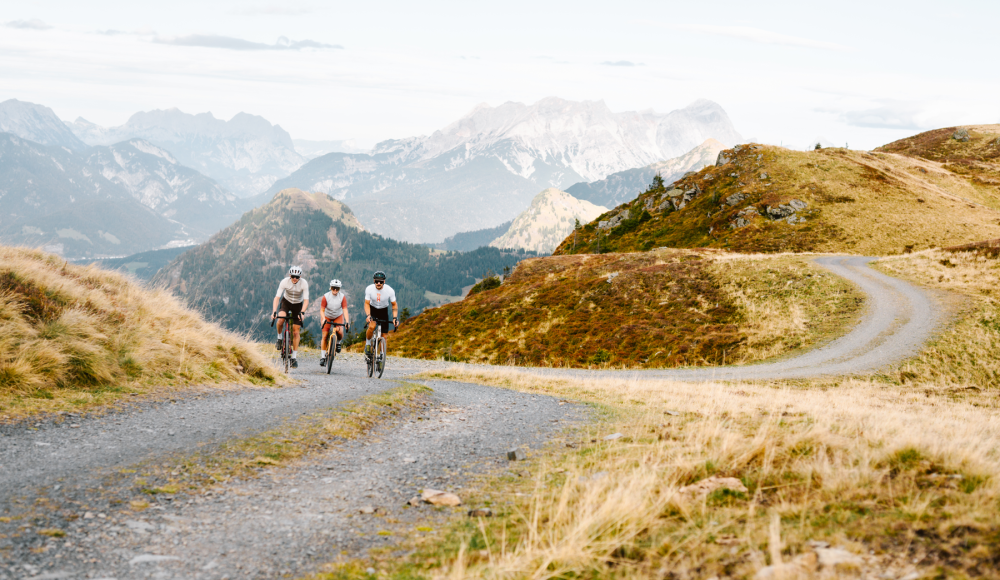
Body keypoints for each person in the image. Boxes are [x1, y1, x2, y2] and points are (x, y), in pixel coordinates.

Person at [271, 266, 309, 369]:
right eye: (293, 276)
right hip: (286, 302)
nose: (294, 278)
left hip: (297, 305)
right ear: (289, 275)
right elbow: (277, 297)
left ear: (300, 277)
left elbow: (306, 300)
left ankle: (294, 358)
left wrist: (302, 313)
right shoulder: (284, 282)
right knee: (281, 319)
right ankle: (279, 338)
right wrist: (274, 311)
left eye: (297, 277)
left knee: (296, 331)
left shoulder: (304, 283)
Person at [364, 270, 398, 360]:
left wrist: (395, 318)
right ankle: (368, 344)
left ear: (384, 281)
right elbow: (366, 303)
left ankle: (381, 356)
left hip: (383, 310)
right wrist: (368, 315)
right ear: (374, 281)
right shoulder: (369, 289)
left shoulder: (390, 290)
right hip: (373, 309)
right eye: (376, 281)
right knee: (372, 326)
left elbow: (394, 305)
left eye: (381, 281)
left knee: (384, 336)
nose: (378, 283)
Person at [319, 279, 350, 367]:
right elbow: (322, 310)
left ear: (339, 289)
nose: (335, 290)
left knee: (340, 331)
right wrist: (323, 319)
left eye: (337, 288)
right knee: (325, 336)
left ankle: (338, 342)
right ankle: (322, 357)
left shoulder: (342, 297)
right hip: (327, 316)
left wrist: (347, 321)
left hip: (338, 316)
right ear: (330, 288)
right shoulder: (326, 296)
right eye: (333, 288)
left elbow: (345, 310)